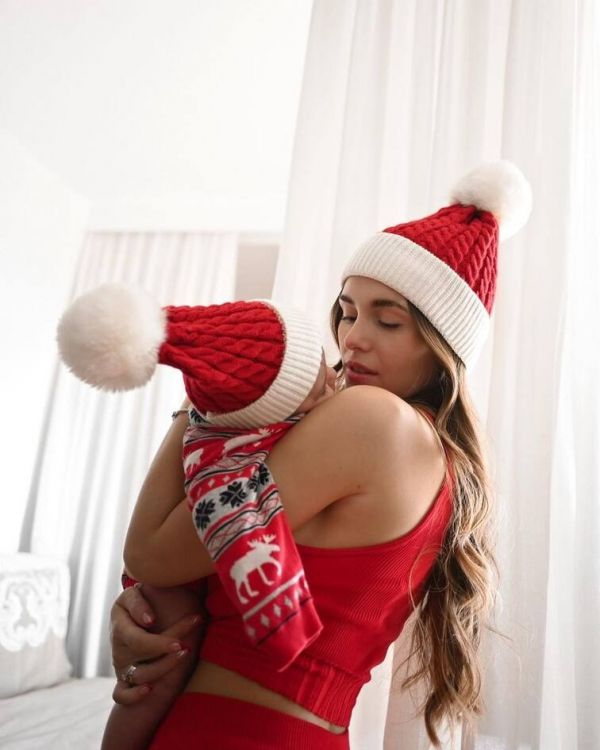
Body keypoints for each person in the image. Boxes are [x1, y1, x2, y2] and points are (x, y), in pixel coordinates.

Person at [107, 160, 532, 748]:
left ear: (444, 346)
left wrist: (206, 392)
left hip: (234, 732)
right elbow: (187, 575)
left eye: (388, 321)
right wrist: (142, 617)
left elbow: (152, 552)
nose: (353, 338)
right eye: (348, 312)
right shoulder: (433, 458)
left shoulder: (374, 421)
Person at [57, 292, 336, 748]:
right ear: (273, 412)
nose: (334, 382)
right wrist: (284, 619)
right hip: (171, 587)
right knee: (157, 676)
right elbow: (223, 526)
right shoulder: (219, 459)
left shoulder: (242, 421)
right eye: (319, 390)